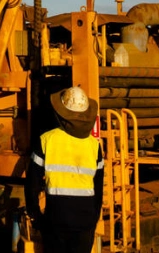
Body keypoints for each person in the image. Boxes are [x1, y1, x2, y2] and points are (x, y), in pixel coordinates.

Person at [25, 86, 104, 253]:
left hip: (56, 219)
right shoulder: (94, 145)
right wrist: (94, 218)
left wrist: (36, 217)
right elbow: (98, 187)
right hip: (86, 220)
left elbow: (32, 184)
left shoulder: (47, 140)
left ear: (61, 112)